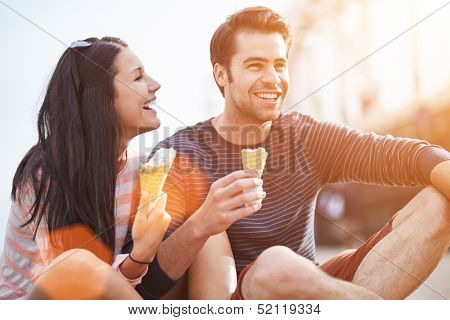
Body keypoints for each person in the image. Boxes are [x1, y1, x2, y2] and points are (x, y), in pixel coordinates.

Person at [131, 7, 450, 299]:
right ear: (221, 75)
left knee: (437, 204)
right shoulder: (179, 153)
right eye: (255, 65)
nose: (273, 79)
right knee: (276, 265)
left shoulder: (305, 135)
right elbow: (149, 279)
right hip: (245, 298)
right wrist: (201, 223)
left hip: (318, 290)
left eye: (279, 65)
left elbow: (407, 156)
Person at [0, 36, 262, 299]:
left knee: (203, 227)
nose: (155, 85)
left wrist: (193, 228)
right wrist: (139, 257)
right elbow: (77, 288)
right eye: (138, 78)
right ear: (100, 97)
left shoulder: (143, 169)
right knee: (76, 263)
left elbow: (127, 287)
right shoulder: (46, 173)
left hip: (114, 296)